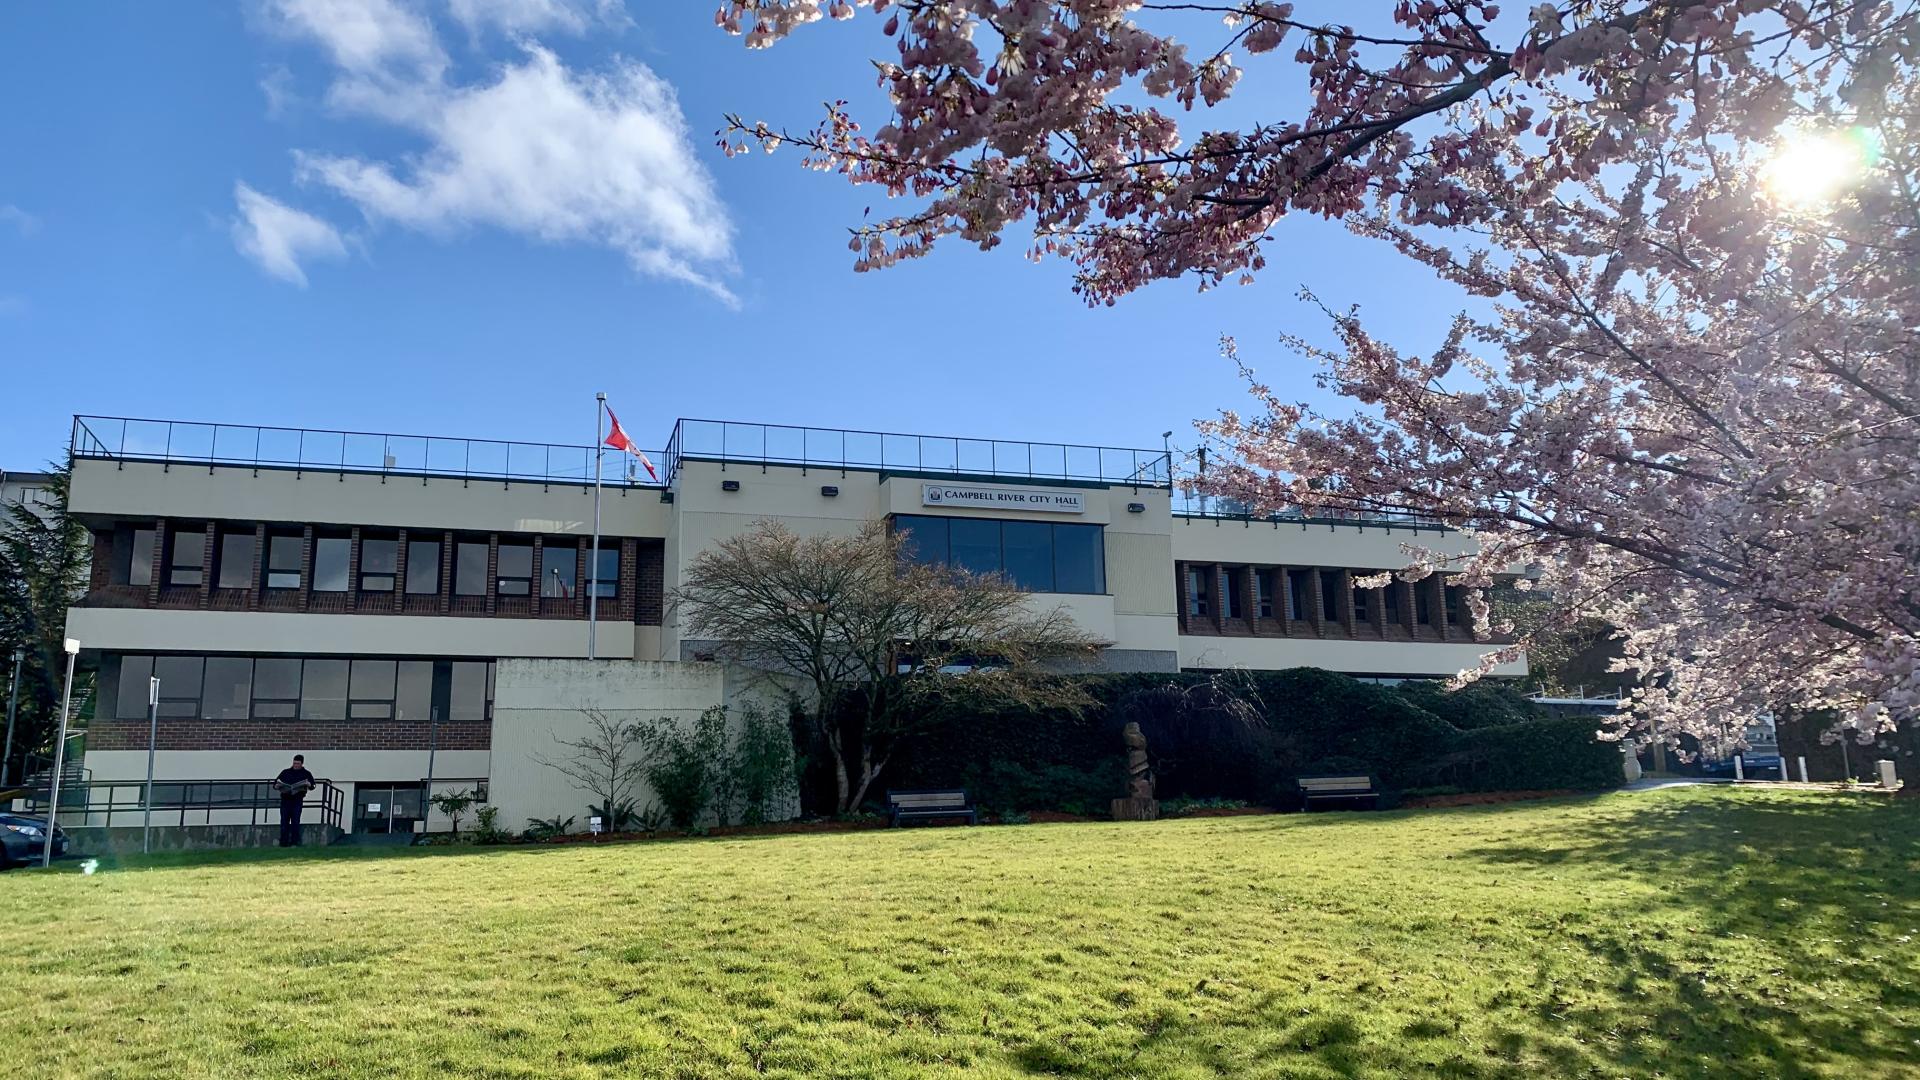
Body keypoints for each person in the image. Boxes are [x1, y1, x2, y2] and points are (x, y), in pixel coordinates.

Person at [273, 755, 315, 847]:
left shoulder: (306, 773)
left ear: (301, 764)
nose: (296, 765)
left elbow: (312, 785)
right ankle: (284, 842)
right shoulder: (286, 772)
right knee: (284, 820)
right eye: (294, 763)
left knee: (295, 820)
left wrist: (308, 784)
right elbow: (276, 783)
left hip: (297, 799)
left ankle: (294, 842)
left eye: (298, 764)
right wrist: (277, 786)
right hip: (286, 798)